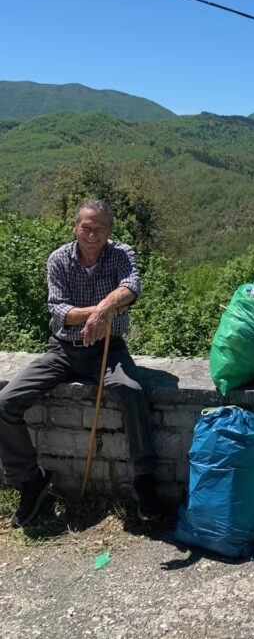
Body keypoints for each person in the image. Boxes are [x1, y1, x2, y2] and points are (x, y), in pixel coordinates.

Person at [0, 200, 162, 526]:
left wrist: (104, 309)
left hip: (108, 349)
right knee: (4, 402)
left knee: (131, 391)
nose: (92, 233)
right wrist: (100, 311)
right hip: (62, 350)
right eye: (86, 226)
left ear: (110, 231)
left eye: (100, 227)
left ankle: (144, 479)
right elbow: (60, 311)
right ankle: (31, 480)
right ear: (75, 227)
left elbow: (131, 287)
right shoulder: (58, 259)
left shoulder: (121, 253)